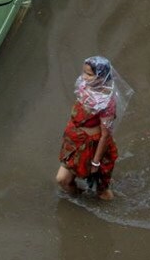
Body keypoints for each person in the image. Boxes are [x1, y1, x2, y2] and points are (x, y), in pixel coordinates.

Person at [56, 56, 131, 201]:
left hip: (91, 148)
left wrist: (96, 162)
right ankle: (79, 198)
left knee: (101, 191)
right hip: (75, 143)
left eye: (89, 75)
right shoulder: (84, 87)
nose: (84, 77)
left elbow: (105, 135)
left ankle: (104, 208)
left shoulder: (106, 102)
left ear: (102, 76)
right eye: (84, 72)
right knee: (62, 180)